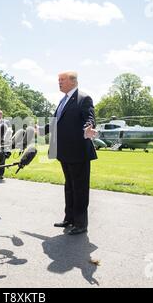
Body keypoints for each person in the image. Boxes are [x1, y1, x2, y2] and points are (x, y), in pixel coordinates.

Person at [47, 71, 98, 235]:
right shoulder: (63, 100)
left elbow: (89, 118)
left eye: (62, 80)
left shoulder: (84, 98)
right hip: (65, 151)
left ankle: (81, 224)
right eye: (58, 80)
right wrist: (40, 130)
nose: (59, 82)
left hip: (78, 151)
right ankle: (69, 219)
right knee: (69, 186)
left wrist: (88, 128)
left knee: (80, 188)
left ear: (73, 81)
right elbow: (55, 122)